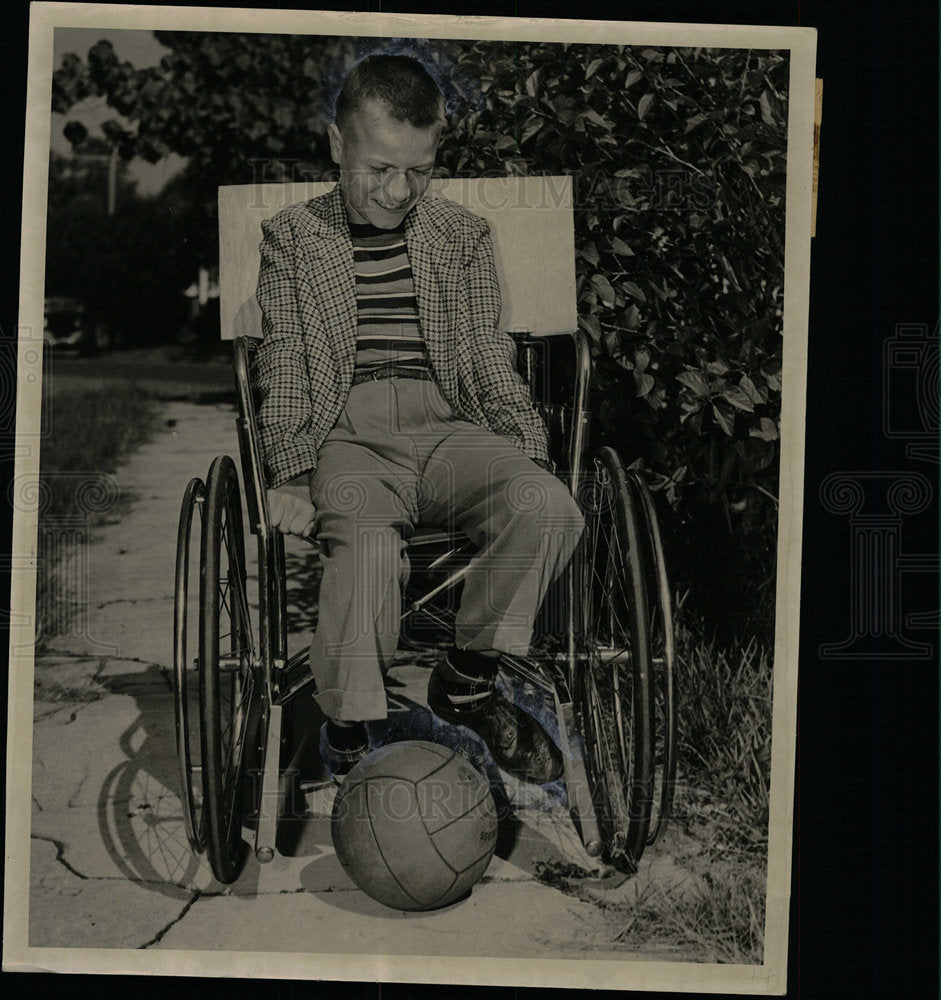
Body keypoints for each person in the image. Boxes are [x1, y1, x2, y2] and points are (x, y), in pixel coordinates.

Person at [252, 53, 583, 784]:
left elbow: (487, 359)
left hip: (448, 426)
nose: (398, 191)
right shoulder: (294, 240)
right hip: (348, 436)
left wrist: (526, 446)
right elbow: (283, 364)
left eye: (419, 171)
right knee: (367, 550)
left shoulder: (458, 236)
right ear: (336, 145)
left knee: (548, 508)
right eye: (377, 169)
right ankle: (349, 723)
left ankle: (466, 679)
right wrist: (294, 473)